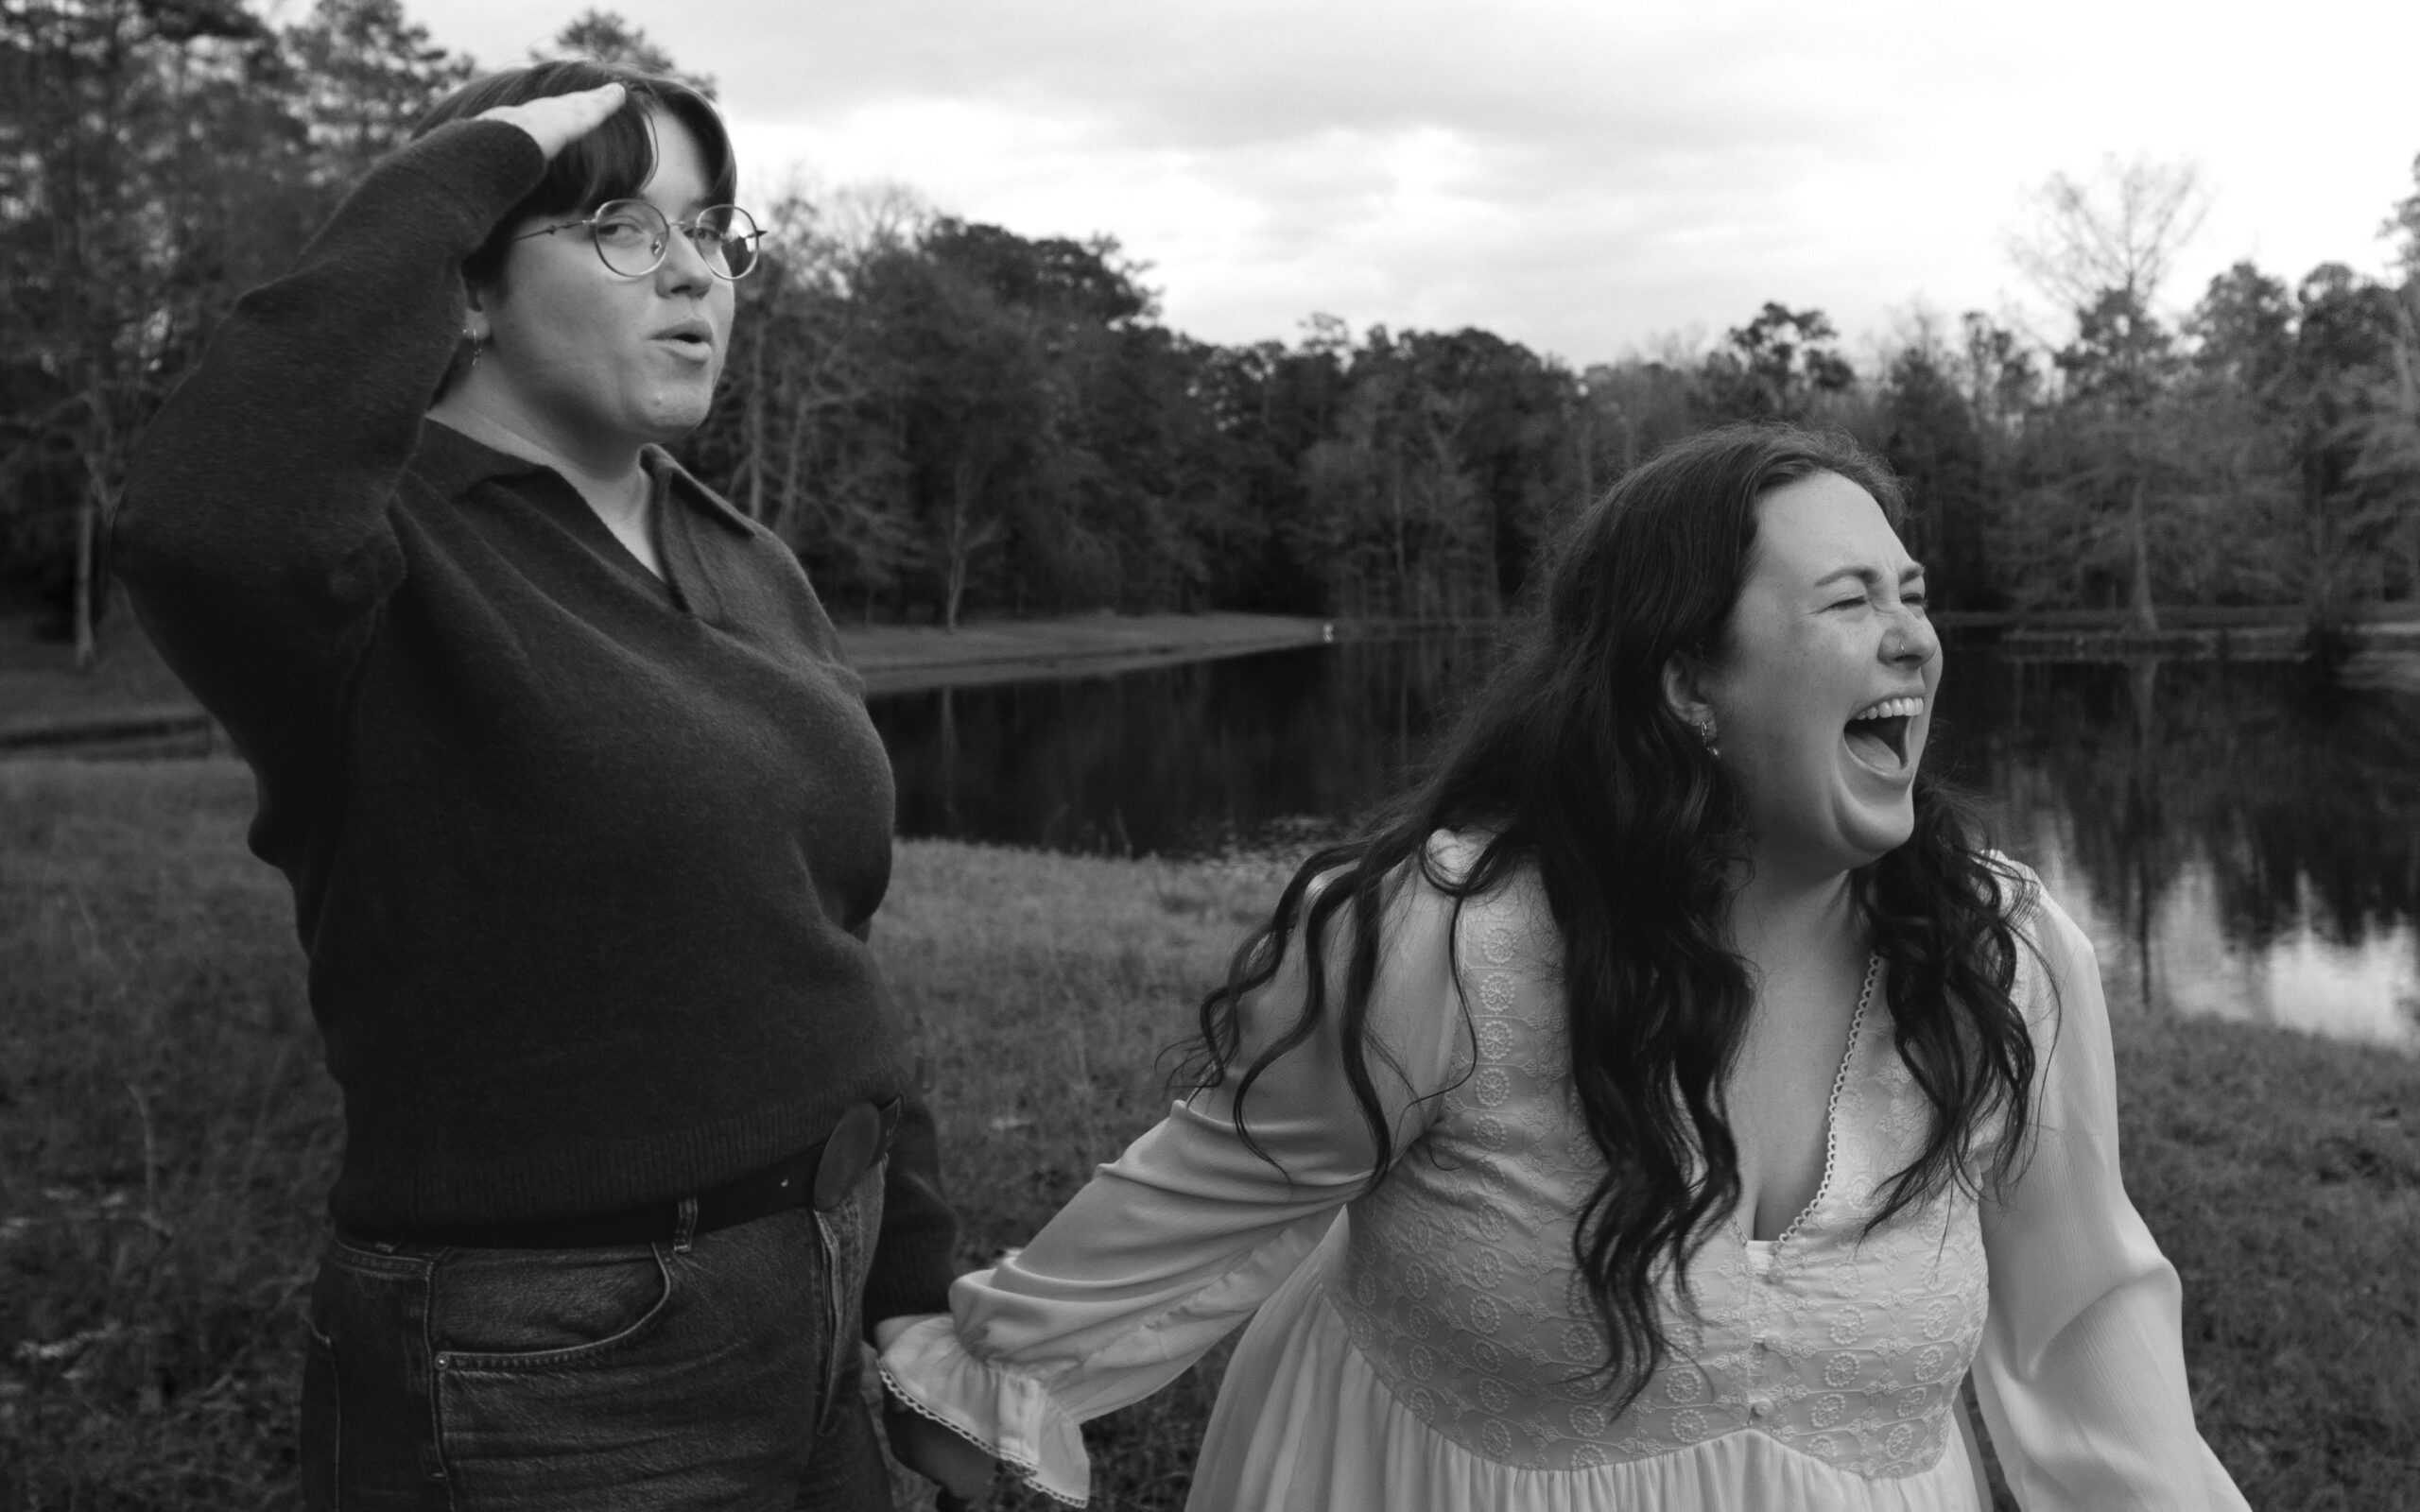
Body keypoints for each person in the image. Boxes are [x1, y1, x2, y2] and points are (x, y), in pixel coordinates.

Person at [875, 425, 2251, 1510]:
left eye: (1914, 593)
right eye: (1848, 600)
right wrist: (991, 1383)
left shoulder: (2000, 957)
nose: (1911, 635)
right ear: (1686, 687)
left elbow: (2087, 1311)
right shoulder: (1444, 942)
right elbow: (1198, 1206)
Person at [115, 62, 960, 1510]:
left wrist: (912, 1286)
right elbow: (203, 525)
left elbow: (826, 942)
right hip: (549, 1374)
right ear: (464, 286)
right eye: (623, 227)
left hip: (819, 1306)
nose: (695, 271)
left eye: (714, 230)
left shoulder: (749, 559)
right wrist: (487, 152)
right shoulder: (370, 568)